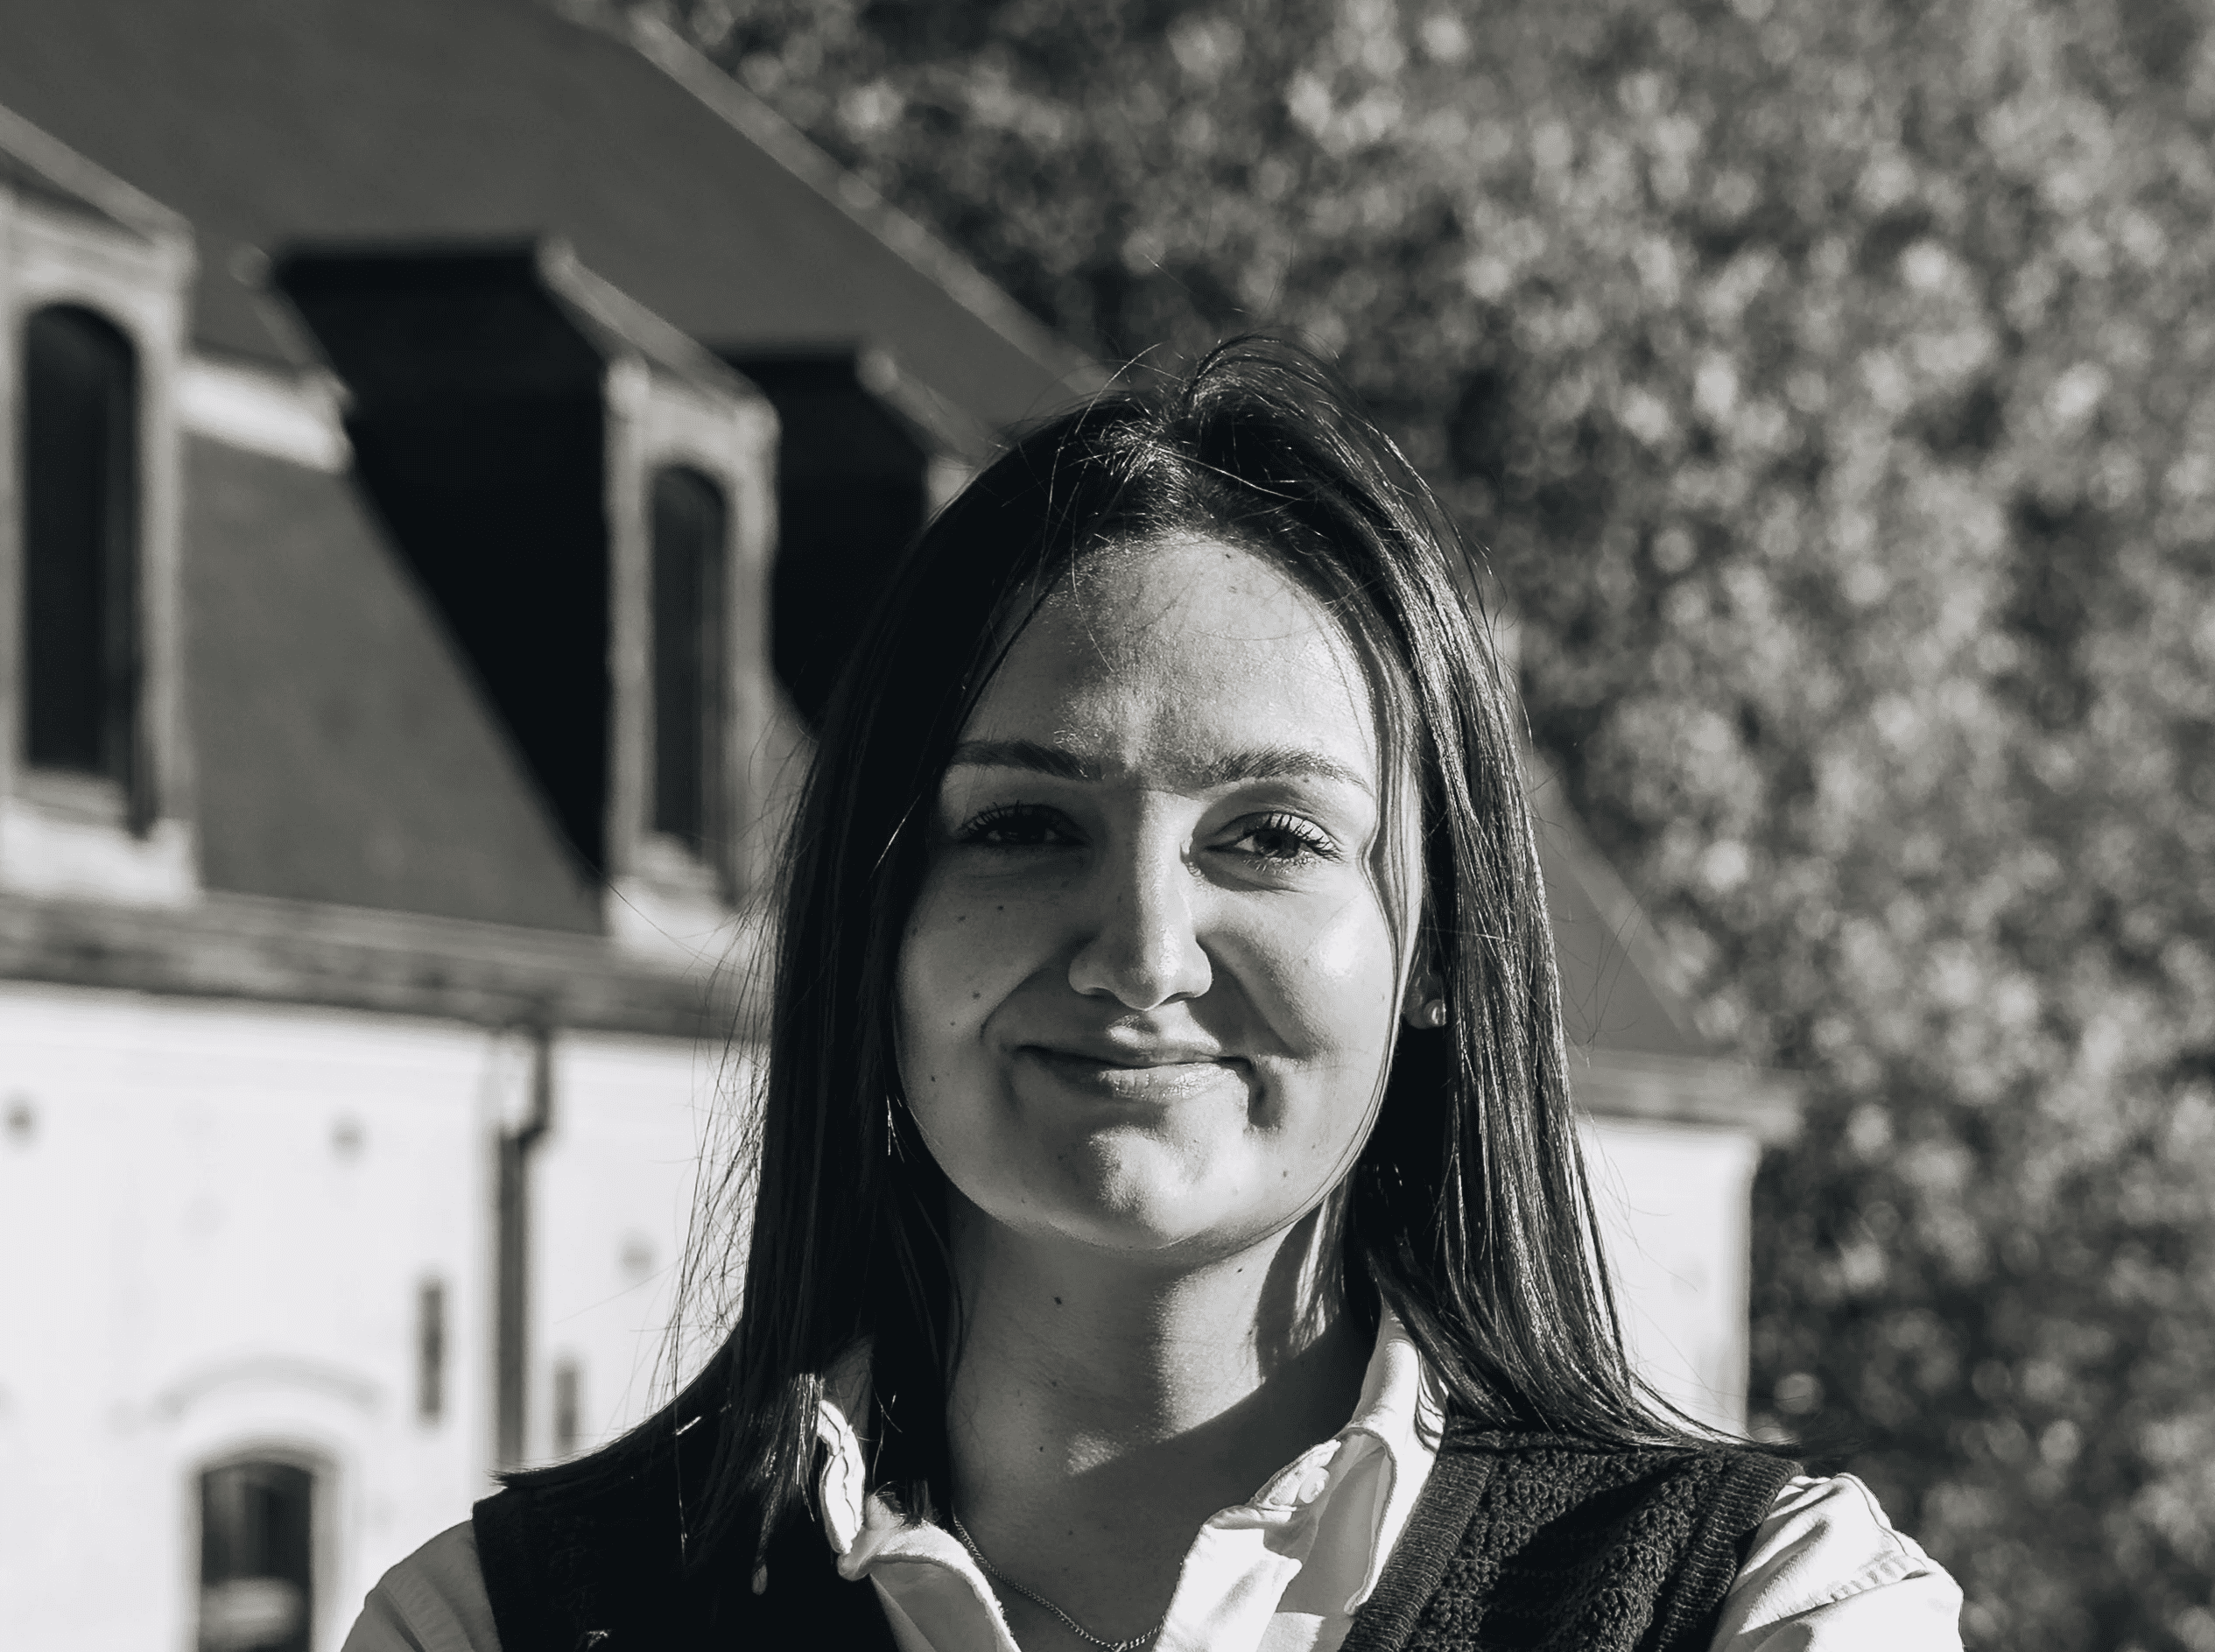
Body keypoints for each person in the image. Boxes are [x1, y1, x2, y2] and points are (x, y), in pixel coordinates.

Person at [345, 340, 1962, 1652]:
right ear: (878, 921)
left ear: (1437, 953)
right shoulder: (499, 1626)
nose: (1140, 949)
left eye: (1271, 835)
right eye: (1025, 825)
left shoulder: (1760, 1608)